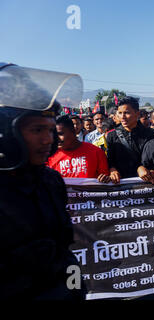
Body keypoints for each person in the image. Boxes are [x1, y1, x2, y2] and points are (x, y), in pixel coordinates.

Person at [0, 62, 85, 300]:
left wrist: (76, 290)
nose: (48, 140)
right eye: (37, 130)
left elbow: (64, 250)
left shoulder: (51, 181)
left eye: (50, 130)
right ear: (4, 131)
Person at [106, 96, 154, 183]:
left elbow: (153, 158)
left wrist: (149, 169)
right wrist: (112, 170)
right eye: (120, 113)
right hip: (121, 183)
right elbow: (110, 160)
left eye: (127, 113)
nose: (123, 117)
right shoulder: (112, 135)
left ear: (137, 113)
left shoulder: (150, 133)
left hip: (146, 182)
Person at [47, 115, 110, 182]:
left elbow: (106, 179)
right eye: (53, 135)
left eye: (60, 134)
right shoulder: (50, 157)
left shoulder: (96, 152)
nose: (56, 138)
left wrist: (106, 178)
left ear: (73, 132)